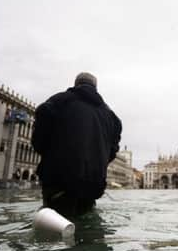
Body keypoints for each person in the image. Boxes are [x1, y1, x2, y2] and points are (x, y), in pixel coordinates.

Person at [32, 72, 122, 217]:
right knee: (87, 231)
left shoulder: (58, 102)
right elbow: (112, 152)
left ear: (76, 84)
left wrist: (50, 156)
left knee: (56, 231)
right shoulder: (112, 117)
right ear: (96, 88)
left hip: (59, 182)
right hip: (93, 186)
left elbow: (38, 139)